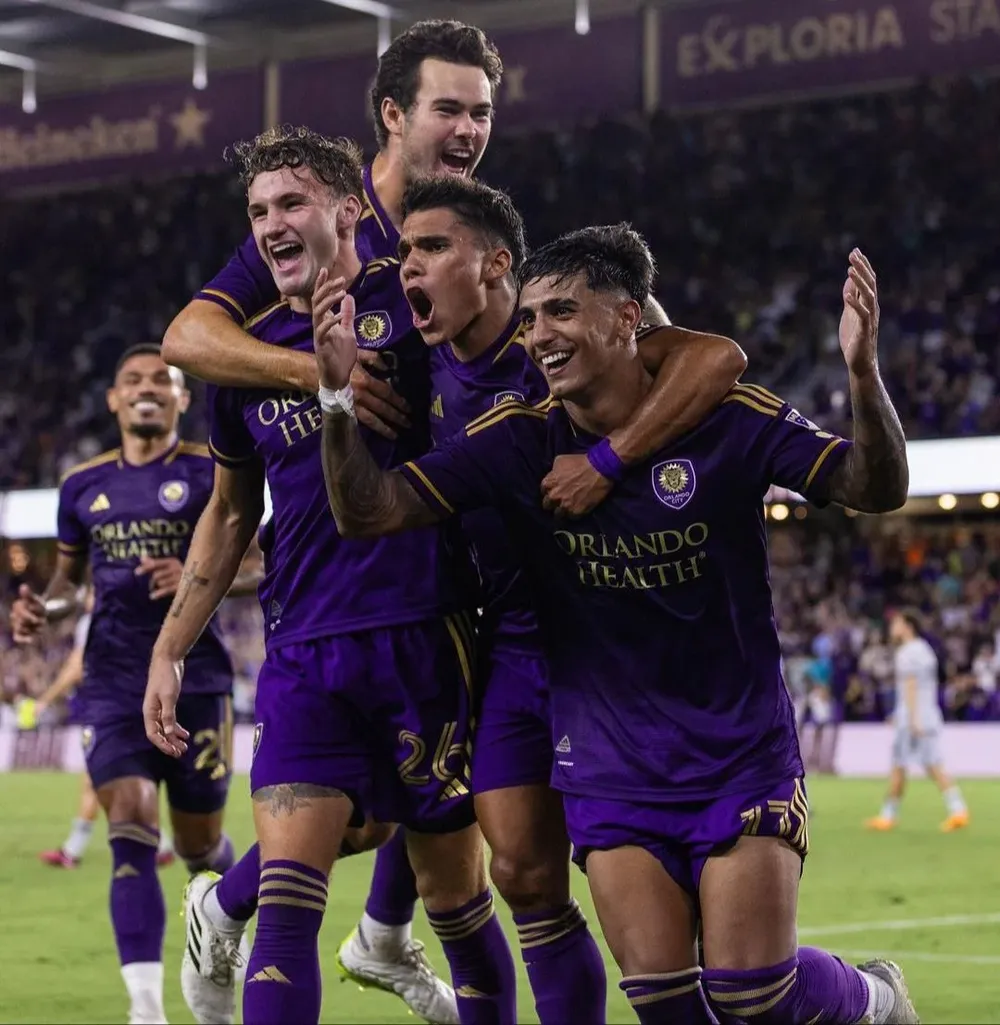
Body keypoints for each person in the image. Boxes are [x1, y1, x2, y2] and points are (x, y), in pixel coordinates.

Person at [158, 17, 746, 1020]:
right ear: (392, 116)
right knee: (422, 868)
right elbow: (189, 340)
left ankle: (374, 929)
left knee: (506, 877)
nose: (471, 127)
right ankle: (312, 917)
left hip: (464, 627)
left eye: (482, 111)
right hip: (330, 629)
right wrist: (323, 376)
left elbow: (688, 351)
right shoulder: (320, 248)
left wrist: (612, 453)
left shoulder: (475, 275)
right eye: (449, 108)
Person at [313, 225, 920, 1025]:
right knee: (666, 1005)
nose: (539, 336)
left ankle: (874, 998)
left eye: (562, 310)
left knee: (750, 995)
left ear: (630, 316)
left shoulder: (728, 421)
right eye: (528, 319)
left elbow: (873, 488)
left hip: (737, 755)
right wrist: (334, 399)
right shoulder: (520, 439)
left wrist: (863, 376)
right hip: (609, 769)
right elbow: (369, 510)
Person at [330, 172, 744, 1024]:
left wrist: (609, 460)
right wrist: (330, 388)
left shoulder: (563, 336)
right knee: (520, 871)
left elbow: (716, 358)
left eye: (430, 248)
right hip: (511, 634)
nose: (408, 267)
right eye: (405, 250)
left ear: (496, 266)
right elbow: (370, 500)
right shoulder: (416, 360)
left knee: (671, 897)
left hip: (615, 627)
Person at [143, 126, 517, 1025]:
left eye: (291, 205)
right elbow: (231, 514)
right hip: (307, 648)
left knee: (458, 903)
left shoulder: (415, 308)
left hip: (433, 636)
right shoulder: (247, 359)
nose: (271, 224)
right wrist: (169, 649)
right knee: (288, 903)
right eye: (259, 211)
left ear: (350, 212)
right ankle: (223, 914)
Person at [10, 344, 249, 1025]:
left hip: (197, 676)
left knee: (201, 845)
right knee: (132, 821)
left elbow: (262, 560)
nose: (147, 389)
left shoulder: (214, 470)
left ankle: (219, 928)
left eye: (163, 381)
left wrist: (203, 574)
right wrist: (43, 610)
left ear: (181, 399)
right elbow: (68, 584)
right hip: (113, 678)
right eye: (133, 380)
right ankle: (146, 1009)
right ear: (114, 400)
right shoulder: (81, 485)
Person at [20, 592, 177, 869]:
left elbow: (76, 667)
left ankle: (75, 850)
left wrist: (44, 700)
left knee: (98, 777)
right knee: (121, 777)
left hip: (109, 709)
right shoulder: (133, 614)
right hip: (133, 704)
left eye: (92, 590)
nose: (87, 596)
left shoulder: (95, 622)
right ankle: (159, 844)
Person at [866, 609, 970, 833]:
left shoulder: (907, 653)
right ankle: (955, 809)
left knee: (912, 765)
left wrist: (910, 718)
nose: (892, 628)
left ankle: (955, 810)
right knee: (914, 764)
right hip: (927, 714)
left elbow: (911, 686)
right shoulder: (925, 650)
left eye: (896, 624)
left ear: (907, 626)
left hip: (913, 719)